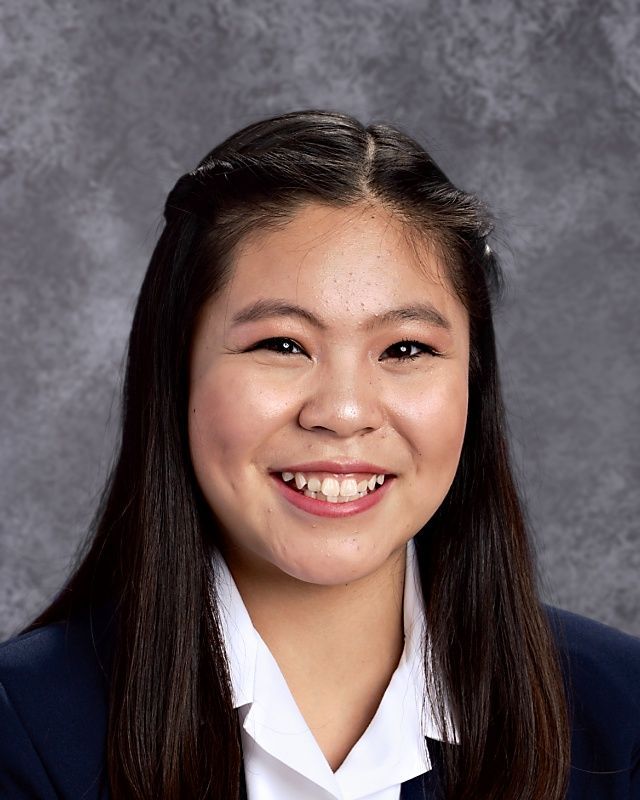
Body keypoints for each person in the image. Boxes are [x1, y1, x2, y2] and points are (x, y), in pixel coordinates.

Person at [0, 109, 638, 800]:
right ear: (177, 370)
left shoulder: (620, 717)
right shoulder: (25, 729)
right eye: (282, 345)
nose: (342, 413)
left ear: (472, 385)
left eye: (405, 349)